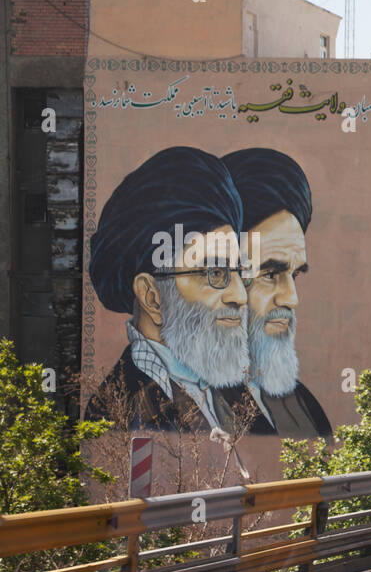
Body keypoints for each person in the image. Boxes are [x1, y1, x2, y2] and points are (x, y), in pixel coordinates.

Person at [85, 147, 255, 433]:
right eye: (215, 273)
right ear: (152, 297)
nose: (239, 295)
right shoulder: (120, 410)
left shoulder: (231, 396)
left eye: (239, 272)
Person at [221, 149, 331, 438]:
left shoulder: (304, 407)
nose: (291, 298)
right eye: (270, 274)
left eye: (294, 275)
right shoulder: (165, 400)